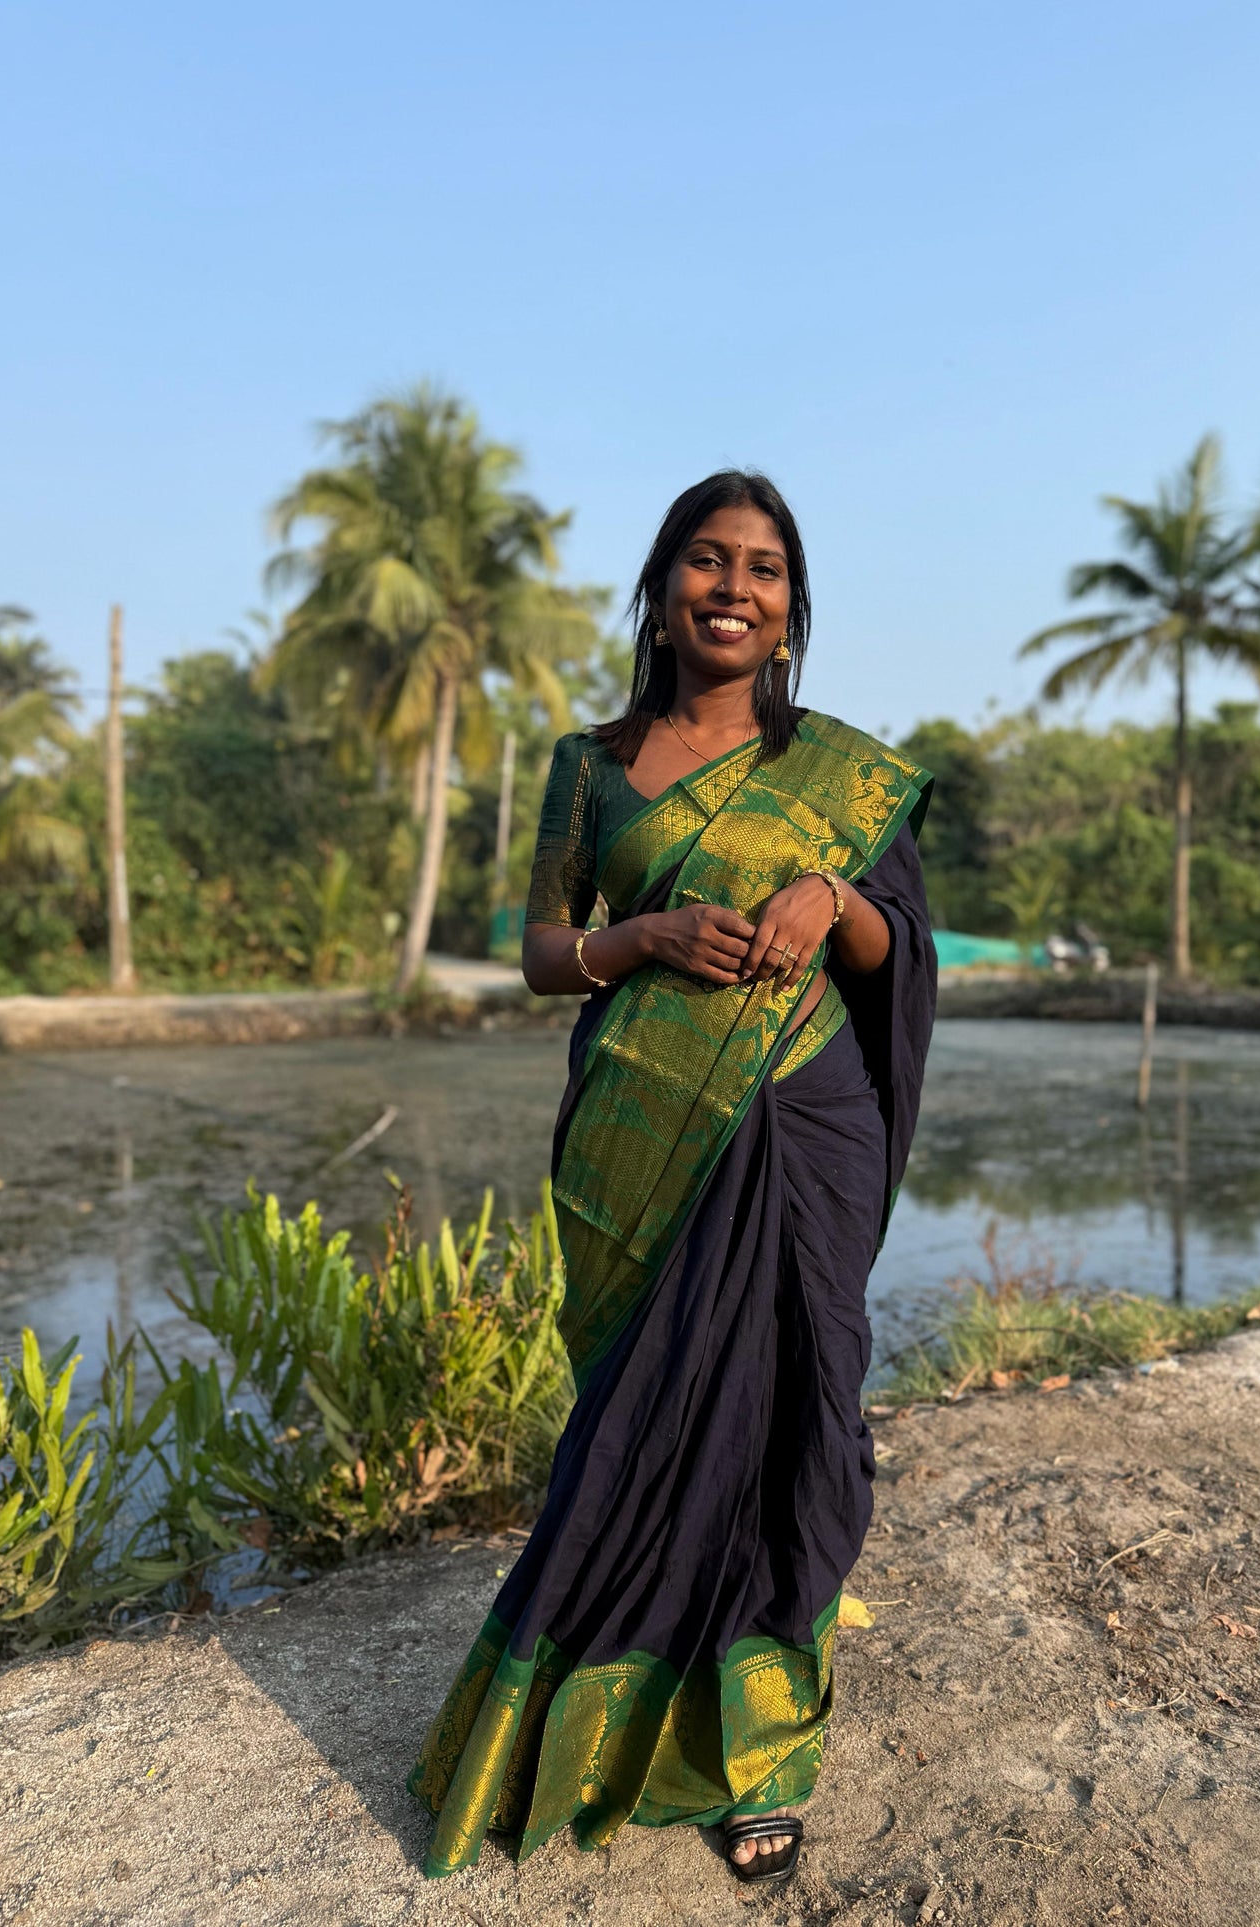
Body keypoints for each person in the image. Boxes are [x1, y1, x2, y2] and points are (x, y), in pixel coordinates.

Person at [408, 470, 937, 1891]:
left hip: (804, 1122)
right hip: (638, 1128)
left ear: (790, 610)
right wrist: (642, 939)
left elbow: (898, 950)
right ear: (659, 590)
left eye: (763, 568)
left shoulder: (841, 773)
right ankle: (593, 1722)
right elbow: (542, 951)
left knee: (792, 1412)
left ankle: (760, 1749)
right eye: (706, 560)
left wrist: (832, 898)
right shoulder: (589, 766)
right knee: (641, 1427)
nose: (733, 588)